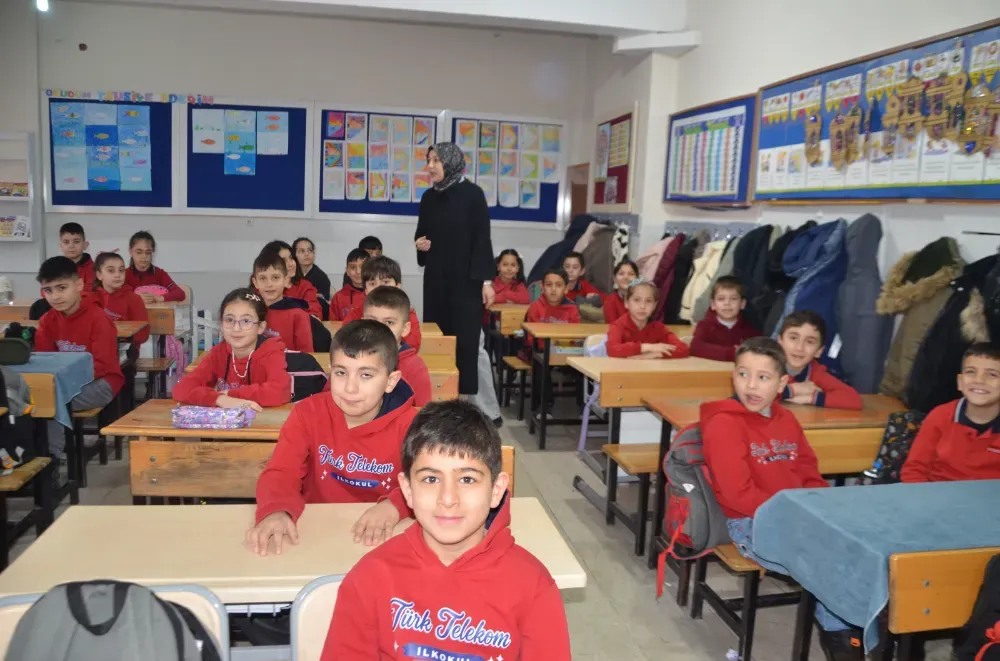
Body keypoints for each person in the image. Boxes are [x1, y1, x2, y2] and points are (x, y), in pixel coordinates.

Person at [323, 400, 572, 661]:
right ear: (407, 490)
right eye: (431, 479)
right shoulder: (369, 578)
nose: (448, 498)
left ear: (496, 490)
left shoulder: (533, 587)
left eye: (467, 479)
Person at [702, 337, 861, 660]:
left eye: (763, 377)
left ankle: (860, 620)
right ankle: (841, 637)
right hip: (751, 522)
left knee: (857, 541)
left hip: (795, 514)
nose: (751, 385)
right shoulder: (724, 423)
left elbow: (809, 472)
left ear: (781, 384)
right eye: (743, 374)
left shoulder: (786, 419)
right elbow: (738, 493)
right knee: (824, 556)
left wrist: (822, 508)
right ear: (732, 376)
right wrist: (795, 516)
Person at [247, 320, 417, 556]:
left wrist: (394, 506)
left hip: (383, 538)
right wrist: (277, 510)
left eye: (366, 375)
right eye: (341, 373)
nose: (350, 388)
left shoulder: (412, 425)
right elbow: (282, 471)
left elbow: (426, 481)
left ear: (391, 381)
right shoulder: (308, 413)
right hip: (316, 533)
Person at [415, 142, 495, 398]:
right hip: (436, 282)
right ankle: (438, 399)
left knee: (465, 345)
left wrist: (486, 282)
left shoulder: (472, 195)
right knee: (438, 341)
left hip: (466, 284)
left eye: (436, 160)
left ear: (450, 162)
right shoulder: (429, 197)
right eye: (429, 160)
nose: (430, 166)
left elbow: (482, 239)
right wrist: (420, 244)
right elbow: (421, 233)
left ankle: (465, 403)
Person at [35, 256, 123, 463]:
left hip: (102, 383)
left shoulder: (98, 318)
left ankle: (52, 461)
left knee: (50, 400)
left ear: (79, 285)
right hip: (62, 383)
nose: (55, 296)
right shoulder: (47, 321)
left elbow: (101, 366)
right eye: (48, 290)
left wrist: (63, 383)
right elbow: (44, 361)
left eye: (62, 288)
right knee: (28, 397)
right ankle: (29, 456)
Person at [174, 289, 290, 410]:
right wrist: (220, 399)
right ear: (221, 325)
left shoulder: (271, 352)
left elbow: (280, 392)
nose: (236, 329)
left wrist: (231, 394)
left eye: (246, 321)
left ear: (260, 327)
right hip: (228, 420)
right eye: (229, 320)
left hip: (263, 419)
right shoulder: (219, 352)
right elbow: (181, 388)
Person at [901, 343, 1000, 483]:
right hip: (937, 492)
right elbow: (914, 470)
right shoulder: (940, 416)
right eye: (971, 372)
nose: (979, 380)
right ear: (960, 382)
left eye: (992, 374)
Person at [777, 311, 862, 410]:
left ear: (819, 351)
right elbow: (760, 394)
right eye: (793, 338)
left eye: (809, 342)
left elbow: (854, 400)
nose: (799, 347)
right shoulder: (765, 364)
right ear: (780, 341)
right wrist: (793, 390)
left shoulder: (815, 372)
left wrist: (812, 398)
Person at [363, 286, 432, 407]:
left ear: (405, 329)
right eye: (372, 321)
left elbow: (422, 413)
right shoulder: (349, 358)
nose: (379, 328)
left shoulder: (415, 367)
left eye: (389, 322)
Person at [343, 255, 422, 351]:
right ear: (366, 290)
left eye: (386, 282)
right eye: (372, 283)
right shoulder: (355, 314)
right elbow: (346, 341)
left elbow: (413, 345)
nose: (379, 287)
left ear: (397, 286)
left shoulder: (407, 313)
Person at [607, 280, 690, 359]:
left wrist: (658, 354)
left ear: (654, 305)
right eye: (637, 300)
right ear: (626, 302)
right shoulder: (618, 326)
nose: (642, 306)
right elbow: (612, 349)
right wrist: (647, 347)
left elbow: (684, 349)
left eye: (648, 301)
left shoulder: (659, 328)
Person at [252, 249, 313, 352]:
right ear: (255, 282)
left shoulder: (299, 315)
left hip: (289, 362)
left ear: (286, 280)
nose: (269, 284)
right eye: (263, 278)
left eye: (275, 277)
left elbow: (307, 355)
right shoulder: (251, 311)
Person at [93, 252, 149, 361]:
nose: (117, 275)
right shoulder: (92, 298)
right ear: (99, 275)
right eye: (111, 270)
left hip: (126, 352)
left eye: (121, 270)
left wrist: (123, 336)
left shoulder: (134, 299)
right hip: (97, 352)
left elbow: (143, 334)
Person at [690, 276, 760, 362]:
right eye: (721, 299)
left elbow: (760, 351)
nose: (727, 303)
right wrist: (732, 353)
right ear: (713, 304)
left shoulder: (750, 330)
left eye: (733, 299)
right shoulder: (704, 326)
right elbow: (695, 347)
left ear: (742, 304)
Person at [262, 240, 322, 318]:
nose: (291, 264)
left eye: (291, 258)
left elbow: (315, 310)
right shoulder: (263, 288)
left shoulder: (304, 286)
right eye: (283, 261)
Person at [125, 230, 186, 303]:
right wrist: (134, 297)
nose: (144, 256)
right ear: (130, 252)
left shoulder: (160, 273)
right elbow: (116, 296)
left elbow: (180, 294)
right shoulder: (124, 274)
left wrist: (159, 298)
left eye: (148, 252)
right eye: (139, 252)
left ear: (153, 252)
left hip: (155, 310)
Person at [293, 237, 331, 320]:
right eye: (302, 251)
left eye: (310, 250)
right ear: (294, 255)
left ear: (314, 253)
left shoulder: (322, 277)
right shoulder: (290, 275)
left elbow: (323, 304)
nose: (306, 254)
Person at [331, 248, 368, 321]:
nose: (358, 272)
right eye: (353, 267)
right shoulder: (338, 297)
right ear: (347, 271)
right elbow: (333, 324)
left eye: (363, 267)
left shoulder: (377, 294)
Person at [58, 222, 96, 290]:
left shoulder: (93, 269)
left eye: (76, 241)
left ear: (85, 245)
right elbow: (46, 289)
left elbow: (92, 292)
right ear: (61, 246)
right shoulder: (55, 268)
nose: (71, 246)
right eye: (66, 242)